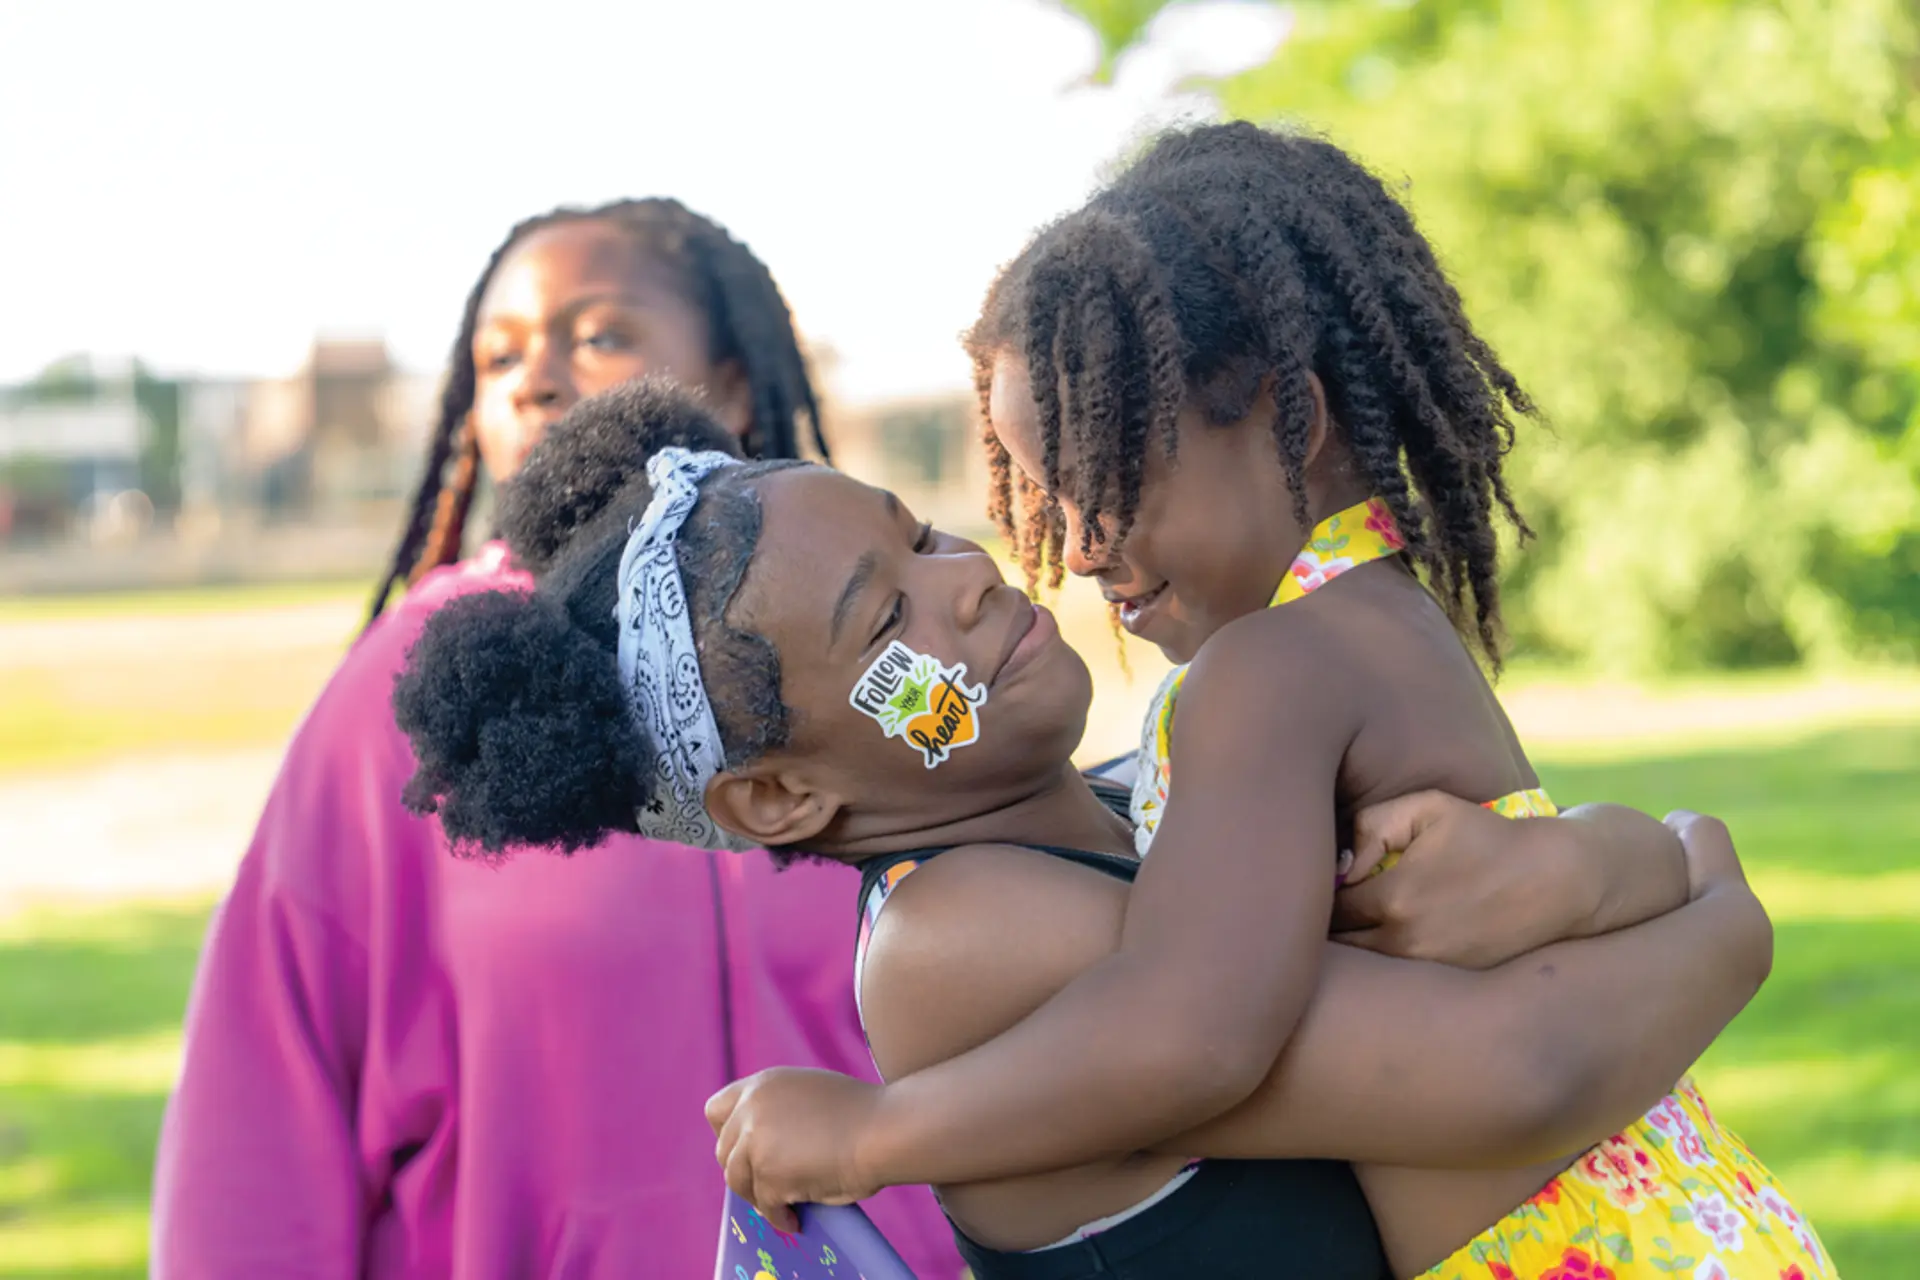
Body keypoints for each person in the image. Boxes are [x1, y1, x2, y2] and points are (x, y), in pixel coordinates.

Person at [706, 123, 1837, 1280]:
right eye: (1049, 494)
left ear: (1294, 419)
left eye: (1111, 481)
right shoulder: (1376, 615)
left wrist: (872, 1134)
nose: (1083, 546)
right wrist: (1668, 860)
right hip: (1687, 1213)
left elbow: (1191, 1028)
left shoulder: (1269, 669)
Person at [394, 381, 1775, 1279]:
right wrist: (1711, 893)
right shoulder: (963, 938)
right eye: (886, 625)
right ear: (782, 802)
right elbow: (1515, 1061)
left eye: (925, 537)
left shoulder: (1135, 792)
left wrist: (1598, 860)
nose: (971, 587)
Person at [149, 199, 959, 1279]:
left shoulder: (871, 631)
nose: (536, 375)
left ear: (723, 380)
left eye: (599, 333)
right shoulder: (410, 684)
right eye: (500, 354)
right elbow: (264, 1087)